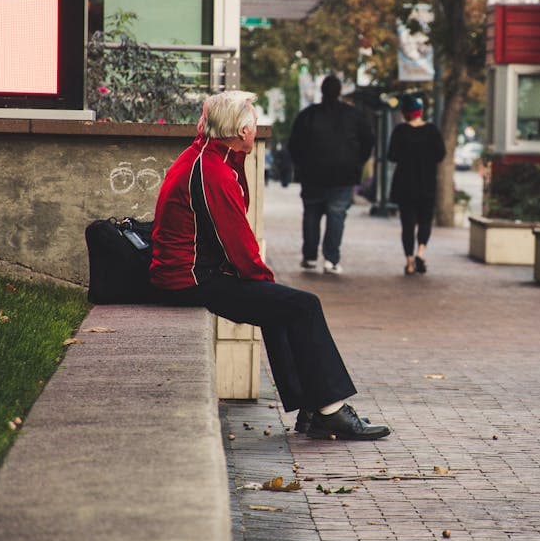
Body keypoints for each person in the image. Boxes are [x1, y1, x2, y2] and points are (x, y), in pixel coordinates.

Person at [149, 90, 390, 441]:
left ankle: (313, 410)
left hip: (195, 272)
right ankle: (331, 411)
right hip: (190, 279)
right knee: (302, 305)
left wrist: (267, 287)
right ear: (241, 131)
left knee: (282, 306)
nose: (256, 128)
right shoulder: (212, 169)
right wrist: (265, 281)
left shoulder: (212, 157)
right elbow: (237, 240)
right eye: (252, 123)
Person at [287, 75, 374, 275]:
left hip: (312, 174)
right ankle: (331, 259)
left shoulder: (308, 115)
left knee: (311, 214)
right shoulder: (354, 116)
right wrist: (356, 162)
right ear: (340, 92)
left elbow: (294, 144)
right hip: (343, 174)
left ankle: (309, 257)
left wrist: (302, 165)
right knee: (337, 215)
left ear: (322, 91)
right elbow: (368, 141)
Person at [388, 95, 446, 275]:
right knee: (425, 221)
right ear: (420, 112)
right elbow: (440, 155)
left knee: (407, 224)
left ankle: (410, 261)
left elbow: (392, 155)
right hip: (426, 184)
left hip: (405, 185)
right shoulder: (432, 131)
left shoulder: (400, 131)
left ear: (405, 113)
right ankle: (421, 251)